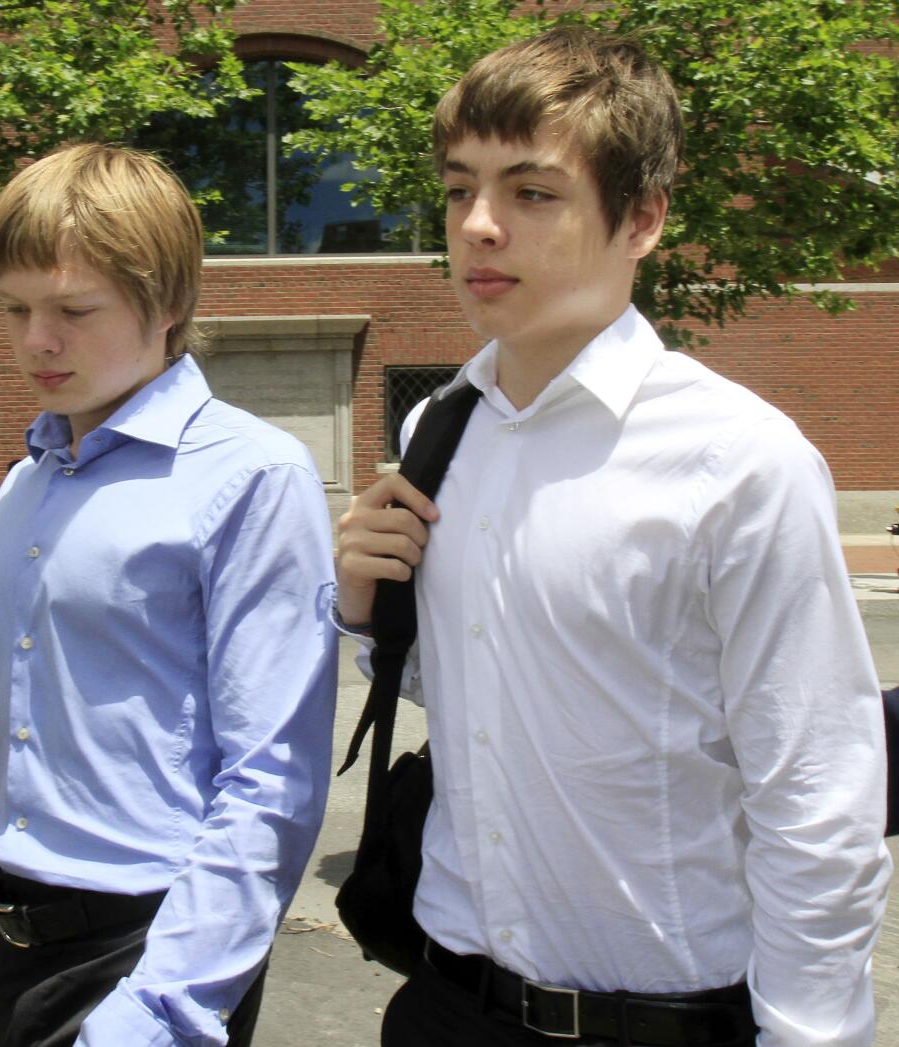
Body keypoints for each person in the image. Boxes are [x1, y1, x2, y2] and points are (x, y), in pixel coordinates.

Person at [335, 26, 890, 1047]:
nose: (480, 227)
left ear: (642, 219)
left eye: (531, 193)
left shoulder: (739, 462)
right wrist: (369, 616)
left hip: (660, 1021)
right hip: (448, 1005)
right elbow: (495, 696)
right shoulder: (436, 429)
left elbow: (818, 797)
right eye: (460, 191)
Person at [0, 143, 337, 1047]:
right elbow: (1, 740)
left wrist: (153, 1013)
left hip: (147, 949)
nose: (35, 341)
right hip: (12, 941)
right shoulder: (25, 486)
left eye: (73, 309)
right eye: (15, 309)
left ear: (169, 302)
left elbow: (271, 779)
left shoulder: (252, 475)